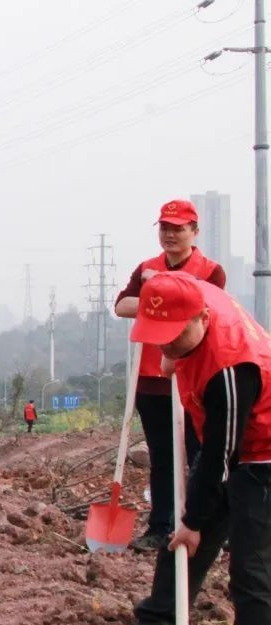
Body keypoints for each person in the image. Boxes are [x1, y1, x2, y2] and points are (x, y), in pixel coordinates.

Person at [107, 273, 271, 625]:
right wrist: (173, 355)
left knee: (251, 569)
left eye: (174, 337)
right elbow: (169, 286)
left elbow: (220, 457)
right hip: (231, 441)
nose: (166, 344)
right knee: (179, 543)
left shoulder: (231, 368)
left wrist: (196, 521)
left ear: (203, 318)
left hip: (262, 453)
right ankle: (156, 623)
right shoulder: (188, 294)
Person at [113, 199, 226, 552]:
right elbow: (122, 305)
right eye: (165, 228)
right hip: (152, 378)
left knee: (200, 454)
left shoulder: (211, 270)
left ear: (194, 231)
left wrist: (161, 287)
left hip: (194, 376)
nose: (170, 235)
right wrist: (158, 292)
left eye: (178, 228)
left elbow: (207, 307)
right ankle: (160, 526)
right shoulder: (146, 268)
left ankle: (204, 525)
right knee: (162, 457)